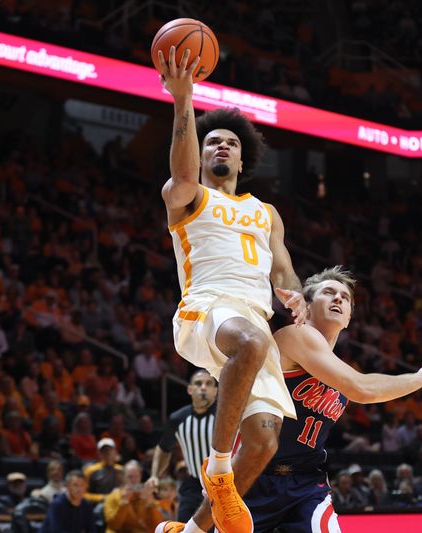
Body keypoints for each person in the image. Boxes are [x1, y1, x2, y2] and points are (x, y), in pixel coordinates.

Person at [159, 267, 422, 533]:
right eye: (328, 292)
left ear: (348, 318)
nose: (338, 298)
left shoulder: (334, 366)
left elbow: (360, 386)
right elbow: (362, 389)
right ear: (307, 306)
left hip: (305, 482)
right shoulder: (295, 336)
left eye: (345, 297)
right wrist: (421, 378)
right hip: (255, 476)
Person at [157, 45, 307, 533]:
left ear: (243, 158)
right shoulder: (187, 197)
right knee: (252, 339)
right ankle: (218, 469)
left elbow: (281, 271)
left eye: (230, 143)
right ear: (199, 152)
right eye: (211, 141)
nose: (221, 146)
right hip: (206, 310)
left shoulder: (266, 213)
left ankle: (195, 530)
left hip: (252, 317)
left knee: (265, 440)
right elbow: (180, 173)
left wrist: (295, 294)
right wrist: (184, 101)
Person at [146, 368, 217, 522]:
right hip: (193, 485)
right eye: (198, 384)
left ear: (216, 391)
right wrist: (154, 475)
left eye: (208, 384)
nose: (203, 387)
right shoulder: (178, 418)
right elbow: (164, 448)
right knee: (183, 526)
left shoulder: (226, 415)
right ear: (190, 390)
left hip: (222, 484)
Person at [103, 460, 164, 533]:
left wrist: (151, 505)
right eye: (130, 477)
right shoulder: (113, 496)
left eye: (137, 476)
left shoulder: (146, 496)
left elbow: (156, 526)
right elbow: (114, 526)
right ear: (123, 478)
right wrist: (123, 503)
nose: (134, 480)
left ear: (141, 477)